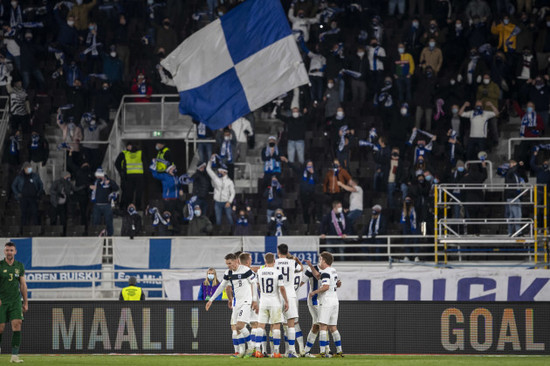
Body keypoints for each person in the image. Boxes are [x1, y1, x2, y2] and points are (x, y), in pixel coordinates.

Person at [206, 253, 258, 358]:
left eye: (230, 263)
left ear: (236, 261)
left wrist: (254, 300)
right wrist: (211, 300)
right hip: (236, 303)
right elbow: (222, 286)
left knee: (239, 325)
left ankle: (252, 347)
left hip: (246, 302)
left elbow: (254, 283)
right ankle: (241, 352)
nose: (228, 266)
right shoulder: (228, 273)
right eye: (227, 264)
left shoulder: (245, 270)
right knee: (236, 329)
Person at [253, 252, 289, 358]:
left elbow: (258, 285)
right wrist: (286, 301)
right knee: (276, 326)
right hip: (275, 302)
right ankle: (276, 352)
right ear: (274, 261)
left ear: (265, 261)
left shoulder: (259, 271)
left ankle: (258, 350)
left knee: (260, 326)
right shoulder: (277, 272)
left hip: (263, 301)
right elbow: (281, 288)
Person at [308, 251, 343, 358]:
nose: (319, 262)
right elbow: (320, 277)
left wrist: (314, 292)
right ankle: (339, 351)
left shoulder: (326, 272)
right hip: (335, 300)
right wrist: (311, 266)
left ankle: (322, 352)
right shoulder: (333, 271)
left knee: (323, 326)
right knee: (333, 327)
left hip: (326, 301)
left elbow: (325, 286)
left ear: (324, 261)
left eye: (320, 259)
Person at [0, 241, 28, 363]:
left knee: (17, 325)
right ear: (4, 251)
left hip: (15, 301)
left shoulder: (19, 266)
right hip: (2, 301)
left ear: (15, 252)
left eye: (11, 250)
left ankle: (14, 356)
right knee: (0, 328)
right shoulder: (0, 265)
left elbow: (22, 284)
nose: (9, 252)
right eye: (7, 250)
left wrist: (25, 302)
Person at [275, 244, 303, 358]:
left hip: (277, 295)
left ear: (278, 252)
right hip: (290, 295)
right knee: (291, 324)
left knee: (276, 323)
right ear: (287, 252)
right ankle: (292, 351)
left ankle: (275, 351)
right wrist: (296, 260)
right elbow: (301, 268)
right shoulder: (292, 263)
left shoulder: (275, 262)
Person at [11, 162, 43, 227]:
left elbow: (41, 185)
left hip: (33, 197)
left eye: (30, 168)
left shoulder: (35, 176)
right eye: (28, 168)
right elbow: (13, 185)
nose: (29, 169)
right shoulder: (19, 176)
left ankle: (36, 228)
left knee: (35, 213)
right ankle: (23, 229)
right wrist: (17, 194)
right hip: (23, 198)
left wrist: (38, 193)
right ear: (24, 168)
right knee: (24, 213)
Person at [206, 156, 235, 227]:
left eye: (220, 171)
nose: (219, 172)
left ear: (225, 172)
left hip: (226, 202)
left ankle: (233, 232)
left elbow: (233, 192)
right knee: (218, 219)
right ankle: (218, 233)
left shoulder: (229, 182)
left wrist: (229, 201)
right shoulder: (216, 178)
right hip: (217, 202)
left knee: (229, 217)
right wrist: (210, 160)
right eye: (218, 171)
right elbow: (208, 169)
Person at [115, 142, 145, 210]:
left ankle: (136, 206)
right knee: (127, 192)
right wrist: (121, 172)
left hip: (134, 175)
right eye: (128, 146)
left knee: (137, 192)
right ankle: (126, 206)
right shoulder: (124, 153)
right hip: (128, 176)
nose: (129, 147)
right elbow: (117, 163)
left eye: (130, 146)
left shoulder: (138, 153)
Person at [90, 168, 119, 236]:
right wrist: (90, 188)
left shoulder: (108, 181)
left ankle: (109, 236)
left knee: (109, 222)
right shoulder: (95, 182)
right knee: (95, 222)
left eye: (99, 176)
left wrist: (110, 182)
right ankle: (96, 235)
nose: (98, 177)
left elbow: (116, 188)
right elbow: (90, 190)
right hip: (97, 205)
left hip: (106, 205)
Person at [505, 160, 524, 236]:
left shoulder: (516, 174)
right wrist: (518, 165)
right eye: (513, 164)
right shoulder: (509, 173)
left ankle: (511, 232)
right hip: (511, 196)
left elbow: (522, 180)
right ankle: (518, 232)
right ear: (510, 165)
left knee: (513, 215)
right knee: (517, 215)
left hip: (517, 196)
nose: (514, 165)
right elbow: (512, 169)